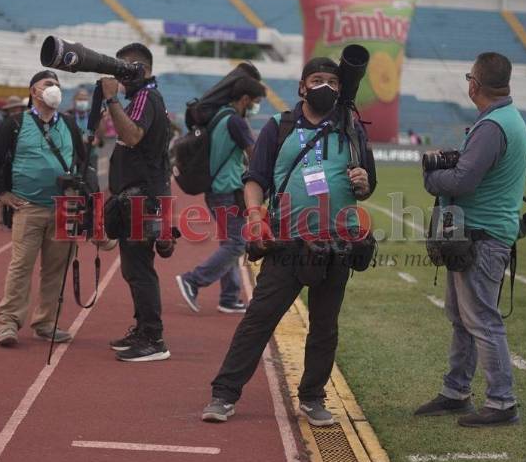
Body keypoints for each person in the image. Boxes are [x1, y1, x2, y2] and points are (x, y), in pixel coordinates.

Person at [201, 56, 375, 425]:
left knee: (325, 326)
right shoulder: (279, 127)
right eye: (316, 79)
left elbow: (367, 185)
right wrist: (253, 216)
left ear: (341, 88)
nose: (325, 85)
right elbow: (255, 178)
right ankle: (224, 394)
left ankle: (312, 397)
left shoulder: (352, 130)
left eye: (332, 80)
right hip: (287, 242)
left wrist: (363, 182)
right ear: (301, 86)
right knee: (259, 319)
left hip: (337, 243)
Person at [415, 52, 526, 427]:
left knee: (480, 319)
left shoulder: (493, 124)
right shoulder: (505, 119)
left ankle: (501, 402)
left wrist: (432, 177)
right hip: (477, 233)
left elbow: (464, 181)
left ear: (474, 84)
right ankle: (456, 391)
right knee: (464, 318)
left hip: (482, 236)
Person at [0, 70, 87, 347]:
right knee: (21, 267)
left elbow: (83, 162)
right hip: (28, 207)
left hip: (65, 208)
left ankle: (46, 322)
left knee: (55, 270)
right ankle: (8, 323)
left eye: (57, 84)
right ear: (34, 92)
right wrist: (1, 193)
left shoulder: (69, 123)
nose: (54, 89)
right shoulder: (15, 124)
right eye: (48, 84)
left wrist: (84, 200)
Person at [102, 42, 172, 362]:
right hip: (136, 198)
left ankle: (153, 338)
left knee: (140, 269)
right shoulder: (142, 98)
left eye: (123, 69)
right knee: (134, 269)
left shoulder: (146, 96)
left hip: (141, 199)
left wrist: (110, 98)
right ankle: (144, 329)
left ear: (139, 71)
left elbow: (132, 136)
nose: (119, 76)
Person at [175, 76, 266, 314]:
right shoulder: (235, 121)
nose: (256, 107)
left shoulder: (220, 116)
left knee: (230, 242)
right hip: (227, 191)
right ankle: (193, 280)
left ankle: (229, 297)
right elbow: (254, 153)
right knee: (237, 243)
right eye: (255, 102)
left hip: (217, 189)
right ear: (245, 99)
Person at [66, 87, 105, 192]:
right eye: (80, 99)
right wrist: (80, 139)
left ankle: (89, 205)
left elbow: (101, 138)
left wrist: (97, 137)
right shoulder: (68, 115)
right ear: (74, 101)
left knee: (91, 183)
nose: (82, 101)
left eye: (85, 99)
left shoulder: (94, 115)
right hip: (72, 156)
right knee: (72, 184)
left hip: (90, 155)